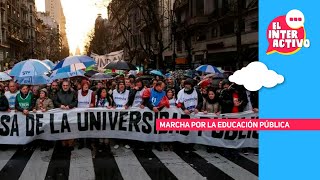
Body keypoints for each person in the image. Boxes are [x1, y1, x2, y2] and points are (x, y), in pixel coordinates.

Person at [142, 81, 169, 151]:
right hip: (149, 113)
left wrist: (159, 109)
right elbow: (146, 101)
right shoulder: (148, 90)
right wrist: (152, 108)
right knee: (149, 129)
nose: (162, 89)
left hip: (158, 113)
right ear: (157, 86)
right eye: (162, 87)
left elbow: (164, 102)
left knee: (157, 130)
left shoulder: (163, 93)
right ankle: (148, 144)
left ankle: (157, 144)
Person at [54, 80, 78, 151]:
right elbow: (55, 101)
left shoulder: (73, 93)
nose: (65, 87)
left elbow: (75, 101)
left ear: (69, 86)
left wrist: (70, 106)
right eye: (64, 85)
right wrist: (59, 105)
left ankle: (71, 144)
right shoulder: (58, 93)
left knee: (71, 128)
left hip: (71, 114)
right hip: (61, 114)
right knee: (62, 128)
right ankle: (63, 143)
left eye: (66, 85)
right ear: (62, 86)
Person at [112, 80, 130, 149]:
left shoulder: (128, 92)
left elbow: (130, 100)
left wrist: (127, 105)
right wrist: (113, 104)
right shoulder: (114, 91)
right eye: (120, 84)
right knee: (117, 127)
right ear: (118, 85)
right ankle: (117, 142)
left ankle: (125, 142)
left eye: (123, 84)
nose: (122, 85)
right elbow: (111, 99)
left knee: (125, 127)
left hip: (125, 112)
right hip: (116, 112)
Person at [77, 80, 95, 149]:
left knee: (88, 129)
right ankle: (81, 143)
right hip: (80, 113)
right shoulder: (78, 92)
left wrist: (92, 104)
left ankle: (88, 143)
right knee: (80, 129)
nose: (86, 86)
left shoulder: (91, 93)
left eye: (87, 85)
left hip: (88, 114)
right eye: (84, 85)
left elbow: (93, 103)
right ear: (82, 86)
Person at [95, 87, 113, 152]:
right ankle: (100, 144)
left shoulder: (109, 99)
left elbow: (113, 106)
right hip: (99, 119)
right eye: (103, 92)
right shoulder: (96, 99)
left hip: (107, 119)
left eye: (105, 92)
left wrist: (111, 107)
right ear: (100, 93)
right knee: (100, 132)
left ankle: (106, 144)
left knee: (106, 132)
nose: (105, 93)